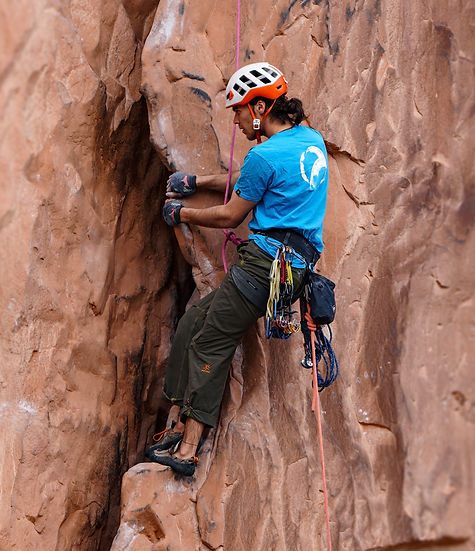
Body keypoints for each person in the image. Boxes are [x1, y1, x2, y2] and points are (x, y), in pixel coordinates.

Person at [147, 62, 329, 477]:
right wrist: (199, 180)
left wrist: (183, 212)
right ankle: (175, 420)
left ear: (261, 107)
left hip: (265, 267)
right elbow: (250, 179)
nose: (236, 119)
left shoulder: (264, 155)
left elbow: (231, 216)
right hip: (287, 267)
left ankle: (189, 447)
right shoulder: (308, 138)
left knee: (210, 342)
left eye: (240, 110)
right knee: (194, 321)